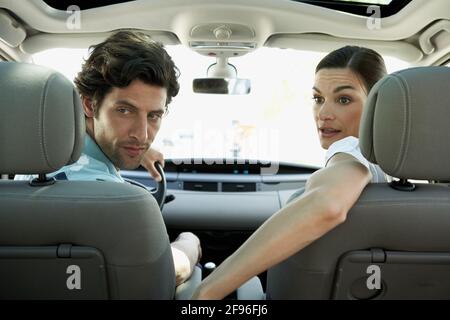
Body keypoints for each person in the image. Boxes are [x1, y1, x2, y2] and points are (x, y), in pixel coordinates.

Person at [190, 46, 388, 299]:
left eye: (344, 99)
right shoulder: (397, 171)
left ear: (376, 106)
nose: (324, 114)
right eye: (318, 98)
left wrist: (207, 291)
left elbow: (328, 204)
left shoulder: (350, 149)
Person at [16, 30, 201, 286]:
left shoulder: (28, 172)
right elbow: (172, 270)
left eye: (154, 116)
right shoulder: (115, 202)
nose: (142, 134)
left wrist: (132, 146)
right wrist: (190, 243)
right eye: (125, 110)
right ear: (90, 105)